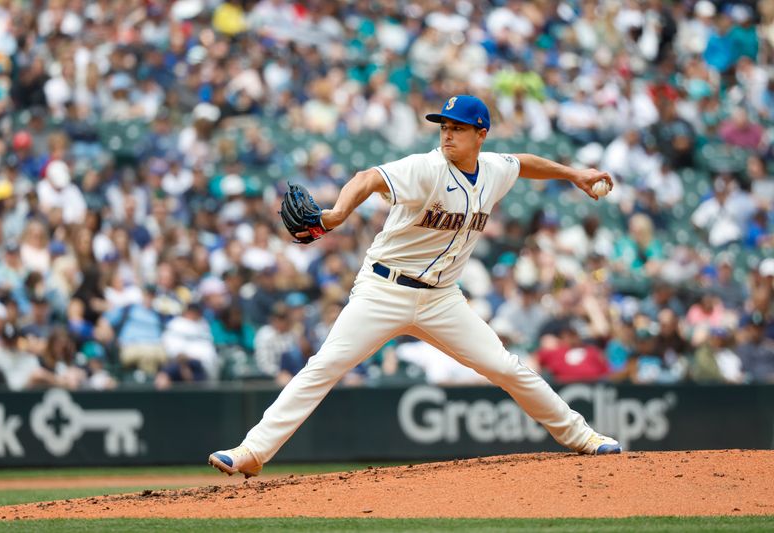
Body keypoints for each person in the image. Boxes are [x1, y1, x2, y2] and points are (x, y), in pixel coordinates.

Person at [209, 95, 622, 478]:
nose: (447, 133)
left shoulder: (493, 169)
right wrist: (336, 213)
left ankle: (584, 438)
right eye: (444, 125)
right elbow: (367, 177)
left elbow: (523, 163)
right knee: (325, 366)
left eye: (458, 127)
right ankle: (253, 451)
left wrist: (573, 174)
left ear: (481, 135)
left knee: (505, 367)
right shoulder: (427, 168)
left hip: (442, 298)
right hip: (384, 289)